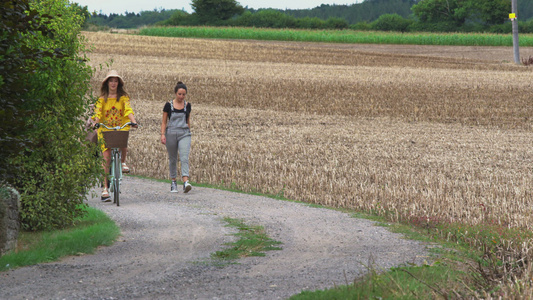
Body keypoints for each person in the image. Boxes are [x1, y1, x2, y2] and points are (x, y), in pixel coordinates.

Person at [92, 70, 138, 201]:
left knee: (123, 140)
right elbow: (97, 113)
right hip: (105, 130)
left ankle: (123, 162)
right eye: (111, 80)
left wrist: (133, 121)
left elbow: (128, 110)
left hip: (119, 128)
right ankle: (105, 188)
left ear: (119, 83)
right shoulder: (101, 99)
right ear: (107, 83)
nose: (113, 83)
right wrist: (96, 122)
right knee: (106, 157)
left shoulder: (123, 98)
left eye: (115, 80)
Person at [160, 81, 192, 193]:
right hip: (171, 133)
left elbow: (188, 121)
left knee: (184, 157)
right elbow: (164, 122)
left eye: (183, 94)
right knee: (173, 158)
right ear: (175, 93)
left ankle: (185, 182)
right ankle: (173, 182)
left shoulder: (188, 106)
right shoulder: (168, 105)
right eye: (179, 94)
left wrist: (189, 130)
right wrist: (163, 134)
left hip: (184, 133)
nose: (181, 96)